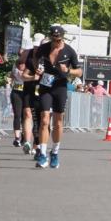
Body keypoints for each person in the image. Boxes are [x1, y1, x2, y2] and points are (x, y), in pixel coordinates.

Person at [33, 25, 82, 169]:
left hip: (60, 86)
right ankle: (42, 154)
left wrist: (68, 70)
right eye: (54, 39)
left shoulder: (69, 51)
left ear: (62, 37)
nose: (56, 42)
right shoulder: (44, 48)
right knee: (44, 119)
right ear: (51, 37)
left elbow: (79, 72)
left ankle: (54, 152)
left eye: (59, 39)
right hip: (46, 85)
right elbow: (35, 58)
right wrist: (37, 68)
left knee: (58, 122)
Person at [18, 33, 45, 159]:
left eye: (38, 47)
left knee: (40, 119)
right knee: (27, 113)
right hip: (29, 88)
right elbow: (23, 75)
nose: (36, 49)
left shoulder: (47, 56)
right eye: (34, 46)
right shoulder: (27, 54)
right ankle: (27, 142)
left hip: (43, 89)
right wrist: (32, 77)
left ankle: (37, 146)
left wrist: (43, 75)